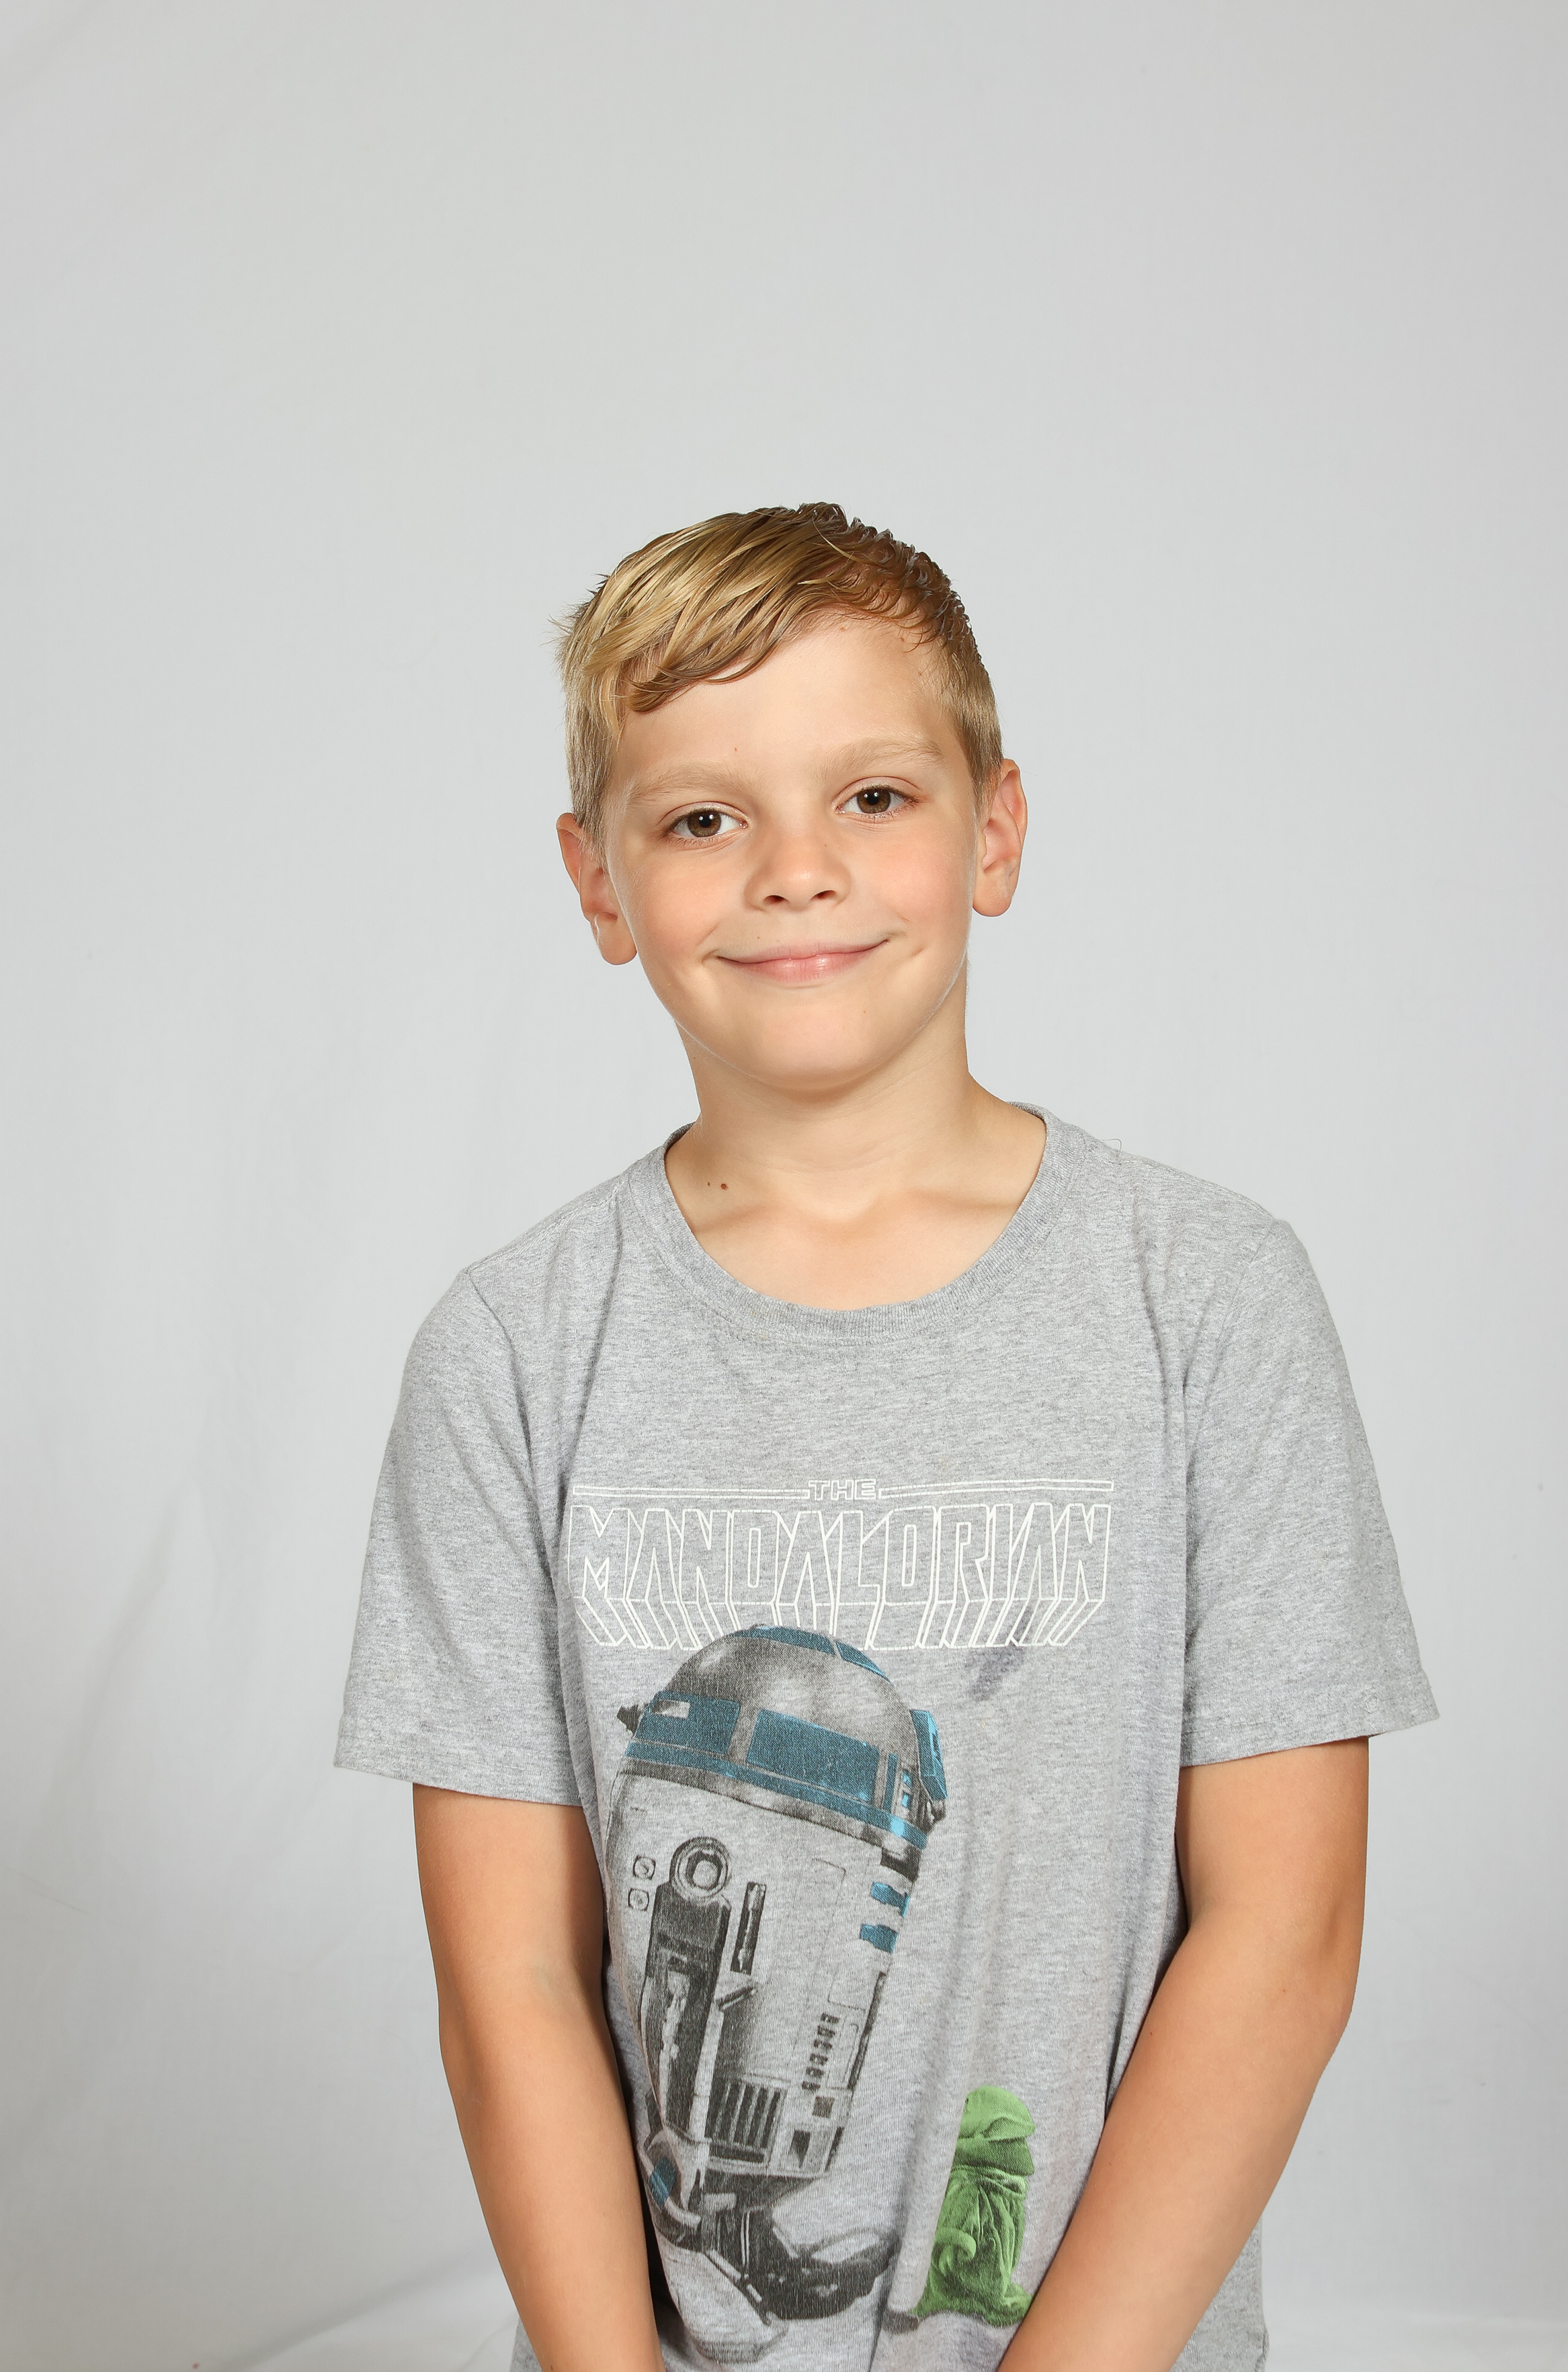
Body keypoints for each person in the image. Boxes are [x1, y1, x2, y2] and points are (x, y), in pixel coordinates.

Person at [335, 504, 1436, 2372]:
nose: (796, 872)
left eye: (872, 796)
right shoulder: (513, 1354)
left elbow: (1286, 1933)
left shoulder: (1206, 1300)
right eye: (703, 817)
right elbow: (511, 1979)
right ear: (598, 882)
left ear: (994, 828)